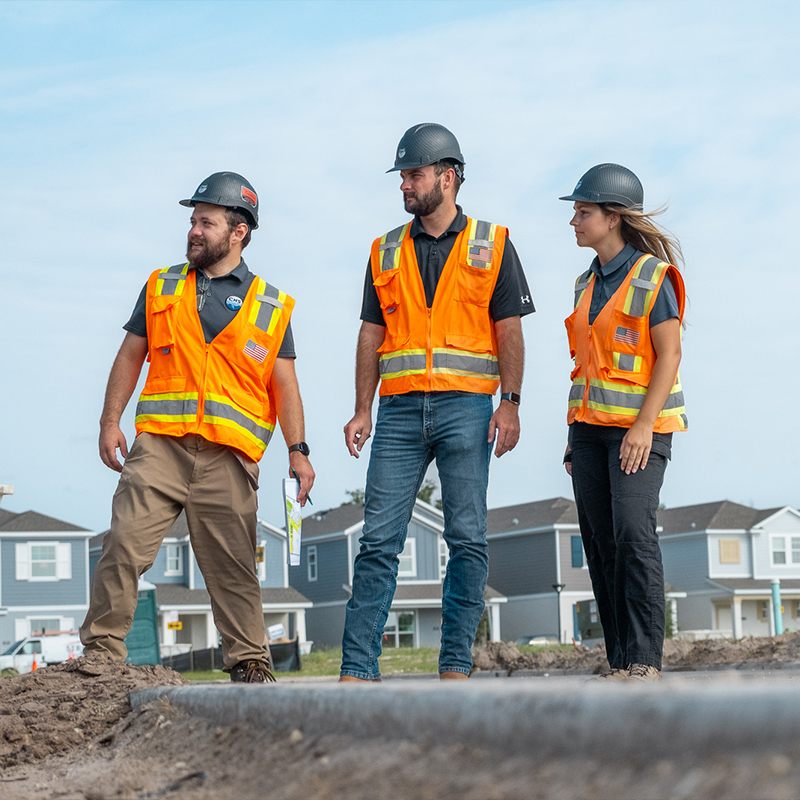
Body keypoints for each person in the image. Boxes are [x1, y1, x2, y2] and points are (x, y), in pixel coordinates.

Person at [80, 172, 315, 683]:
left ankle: (249, 661)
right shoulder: (162, 286)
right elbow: (130, 356)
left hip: (228, 459)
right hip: (159, 448)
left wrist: (298, 451)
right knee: (122, 544)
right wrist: (109, 420)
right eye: (192, 220)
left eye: (205, 222)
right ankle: (100, 656)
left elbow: (286, 384)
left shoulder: (271, 307)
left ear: (239, 232)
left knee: (233, 568)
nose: (193, 230)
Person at [341, 123, 533, 681]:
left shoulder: (492, 243)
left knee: (466, 537)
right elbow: (370, 336)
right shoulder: (385, 250)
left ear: (447, 178)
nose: (404, 184)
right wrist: (362, 408)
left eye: (414, 174)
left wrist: (511, 403)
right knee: (378, 540)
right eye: (402, 175)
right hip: (398, 412)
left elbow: (510, 331)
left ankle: (455, 664)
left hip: (468, 408)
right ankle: (357, 669)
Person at [560, 163, 687, 682]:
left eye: (583, 211)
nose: (574, 220)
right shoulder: (583, 283)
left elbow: (670, 356)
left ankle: (644, 661)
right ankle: (619, 660)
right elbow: (584, 367)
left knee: (634, 535)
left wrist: (642, 427)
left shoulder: (654, 278)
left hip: (641, 431)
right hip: (588, 433)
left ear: (613, 218)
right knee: (600, 541)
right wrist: (573, 438)